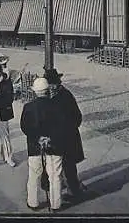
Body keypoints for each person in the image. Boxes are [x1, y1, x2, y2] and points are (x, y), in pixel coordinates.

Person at [20, 77, 63, 212]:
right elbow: (62, 126)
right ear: (47, 90)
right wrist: (49, 138)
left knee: (34, 175)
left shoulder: (28, 107)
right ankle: (56, 204)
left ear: (35, 92)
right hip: (54, 145)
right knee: (55, 175)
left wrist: (38, 138)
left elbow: (24, 127)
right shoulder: (57, 105)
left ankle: (33, 202)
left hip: (35, 146)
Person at [44, 68, 86, 199]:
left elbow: (77, 117)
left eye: (52, 84)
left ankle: (73, 190)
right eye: (48, 84)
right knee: (53, 166)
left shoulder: (66, 96)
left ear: (58, 83)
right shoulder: (46, 96)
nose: (50, 87)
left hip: (67, 138)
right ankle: (54, 187)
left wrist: (67, 129)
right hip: (53, 138)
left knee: (69, 166)